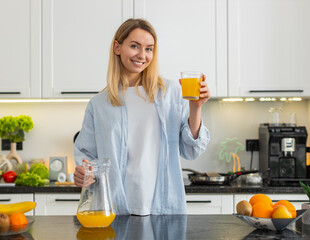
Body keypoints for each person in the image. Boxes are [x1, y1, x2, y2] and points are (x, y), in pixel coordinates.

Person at [74, 18, 210, 215]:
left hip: (164, 209)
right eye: (135, 46)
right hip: (114, 210)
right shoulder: (99, 103)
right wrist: (83, 173)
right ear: (117, 47)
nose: (142, 55)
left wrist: (196, 107)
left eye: (149, 49)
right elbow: (86, 156)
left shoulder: (171, 92)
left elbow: (191, 150)